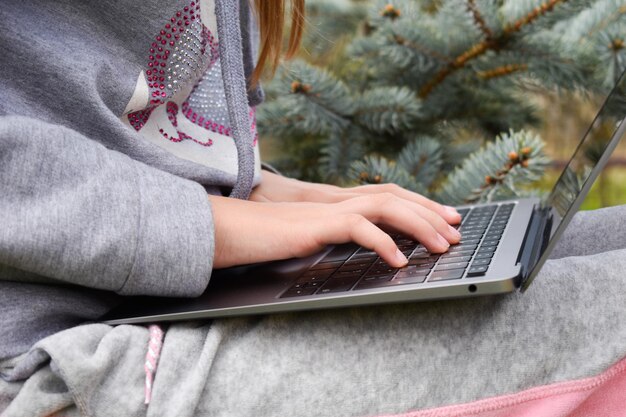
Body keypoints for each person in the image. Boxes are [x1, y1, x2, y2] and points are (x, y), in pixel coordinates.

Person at [1, 1, 626, 416]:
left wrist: (274, 193)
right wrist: (211, 222)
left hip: (159, 300)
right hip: (52, 365)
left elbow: (147, 130)